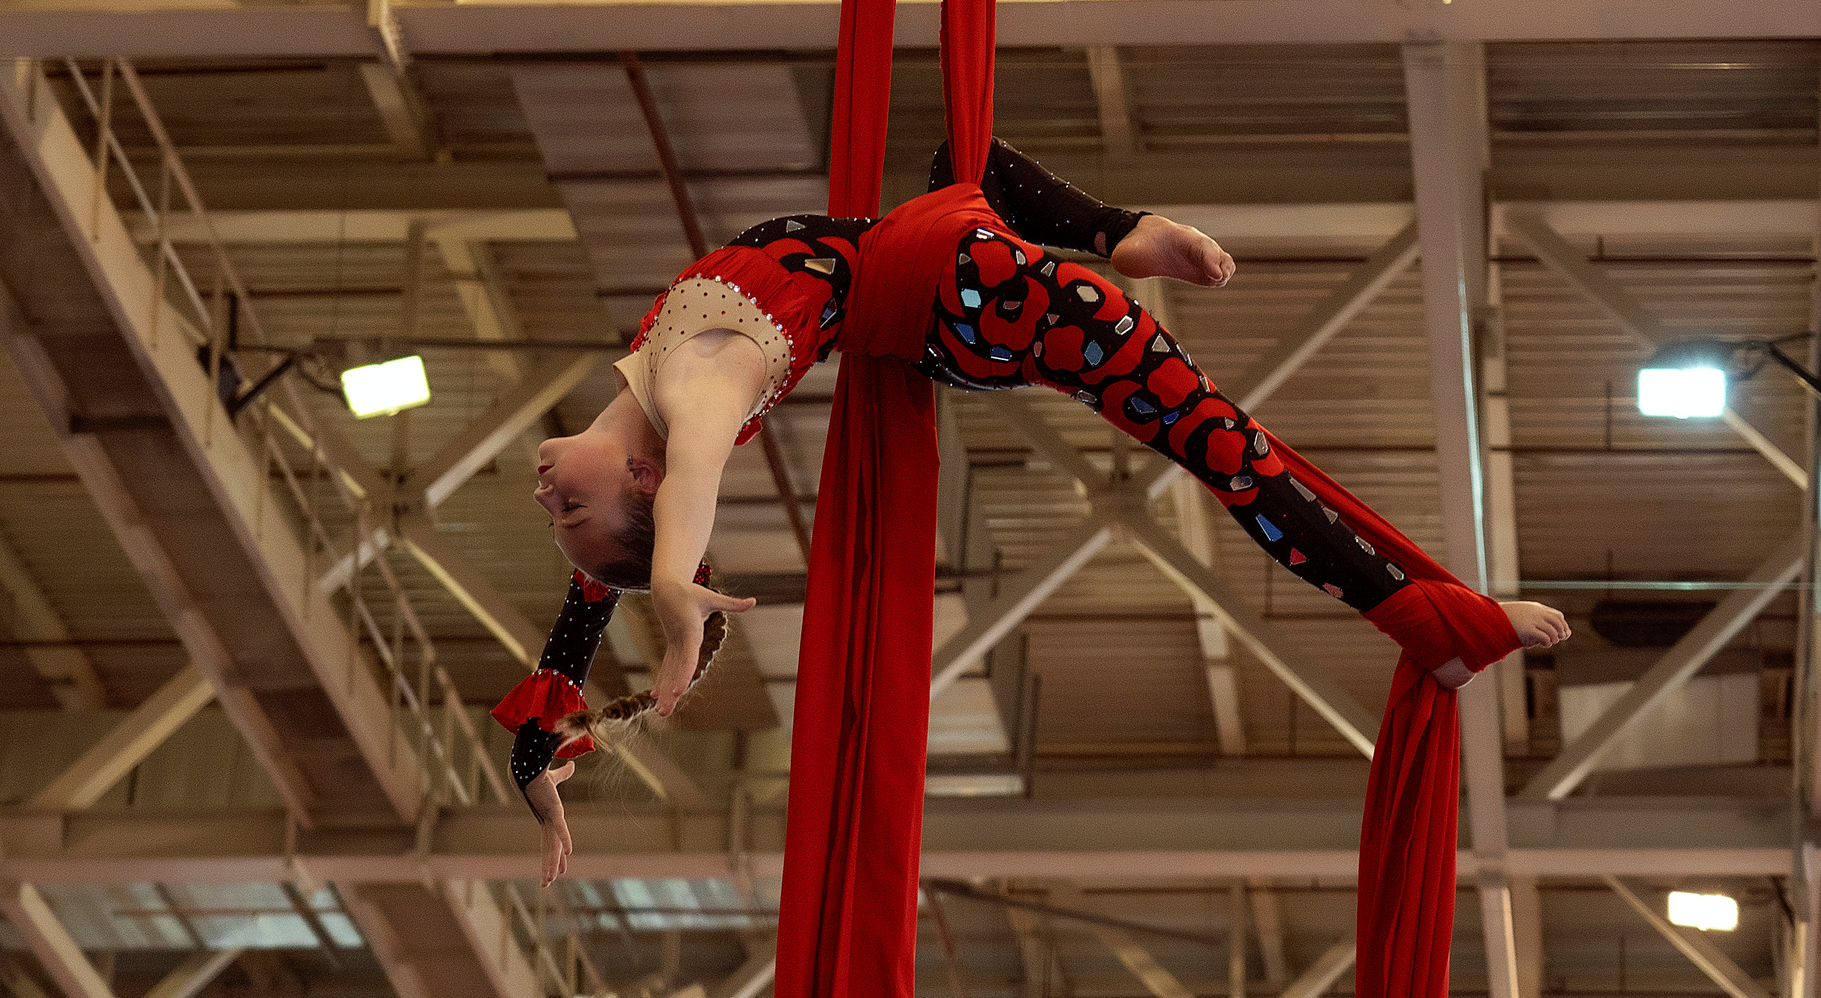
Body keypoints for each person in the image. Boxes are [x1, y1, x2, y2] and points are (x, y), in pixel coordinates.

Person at [495, 141, 1571, 883]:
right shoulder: (694, 400)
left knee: (967, 161)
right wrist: (677, 589)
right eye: (571, 511)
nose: (547, 499)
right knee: (1224, 449)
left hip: (943, 263)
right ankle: (1430, 621)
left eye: (553, 516)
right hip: (975, 292)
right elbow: (690, 485)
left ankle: (1123, 228)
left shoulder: (652, 387)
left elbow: (580, 614)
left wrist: (536, 765)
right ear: (639, 489)